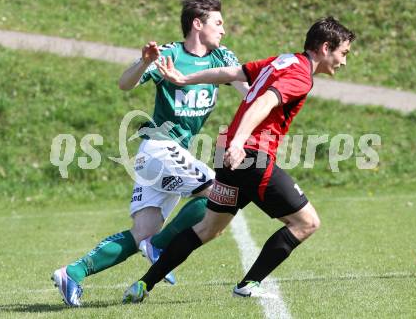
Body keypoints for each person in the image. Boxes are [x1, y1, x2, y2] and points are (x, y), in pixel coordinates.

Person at [122, 16, 356, 303]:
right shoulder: (300, 75)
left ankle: (143, 285)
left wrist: (186, 79)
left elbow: (231, 72)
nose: (344, 61)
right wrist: (238, 142)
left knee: (208, 228)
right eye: (343, 53)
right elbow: (264, 102)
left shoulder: (284, 61)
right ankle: (249, 284)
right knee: (306, 223)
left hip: (229, 155)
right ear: (325, 47)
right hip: (250, 156)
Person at [51, 0, 249, 307]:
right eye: (218, 23)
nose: (223, 30)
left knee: (142, 231)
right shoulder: (168, 54)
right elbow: (124, 83)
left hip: (169, 156)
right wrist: (144, 61)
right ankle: (158, 246)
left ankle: (72, 273)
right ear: (197, 24)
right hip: (159, 147)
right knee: (218, 193)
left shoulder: (221, 58)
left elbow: (248, 93)